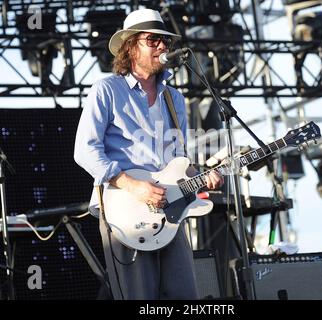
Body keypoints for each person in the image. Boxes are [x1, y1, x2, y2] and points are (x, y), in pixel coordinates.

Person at [74, 8, 224, 300]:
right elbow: (84, 150)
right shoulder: (106, 90)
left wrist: (203, 177)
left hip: (170, 211)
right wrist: (133, 185)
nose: (162, 46)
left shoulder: (174, 99)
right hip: (126, 209)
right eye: (152, 39)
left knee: (186, 297)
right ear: (131, 47)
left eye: (164, 41)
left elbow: (177, 163)